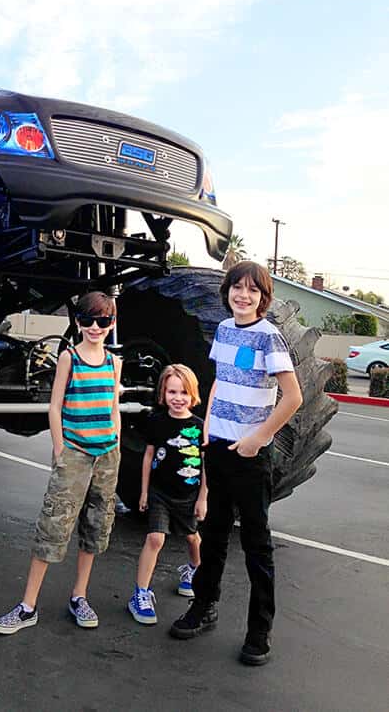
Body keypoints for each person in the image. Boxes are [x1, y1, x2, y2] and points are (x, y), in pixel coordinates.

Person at [169, 261, 302, 666]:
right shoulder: (225, 330)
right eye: (237, 288)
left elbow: (292, 397)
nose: (243, 296)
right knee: (213, 537)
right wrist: (207, 425)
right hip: (218, 449)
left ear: (263, 298)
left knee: (256, 547)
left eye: (252, 291)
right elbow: (220, 383)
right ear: (227, 292)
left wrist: (257, 439)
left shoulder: (269, 338)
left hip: (249, 457)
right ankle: (203, 608)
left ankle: (259, 631)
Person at [0, 291, 122, 635]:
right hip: (76, 453)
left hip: (107, 454)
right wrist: (61, 449)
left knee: (96, 526)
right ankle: (27, 606)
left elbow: (113, 406)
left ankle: (79, 596)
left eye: (103, 320)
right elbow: (55, 405)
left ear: (112, 323)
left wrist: (116, 442)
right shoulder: (69, 358)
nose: (96, 327)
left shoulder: (113, 362)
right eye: (89, 320)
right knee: (53, 526)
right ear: (78, 322)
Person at [127, 364, 207, 626]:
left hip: (188, 494)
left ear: (193, 394)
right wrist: (143, 492)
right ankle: (140, 593)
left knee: (193, 538)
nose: (178, 397)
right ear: (163, 392)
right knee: (155, 538)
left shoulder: (199, 426)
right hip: (160, 492)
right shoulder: (157, 422)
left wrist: (203, 498)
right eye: (172, 391)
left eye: (184, 392)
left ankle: (193, 570)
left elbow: (206, 465)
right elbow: (149, 455)